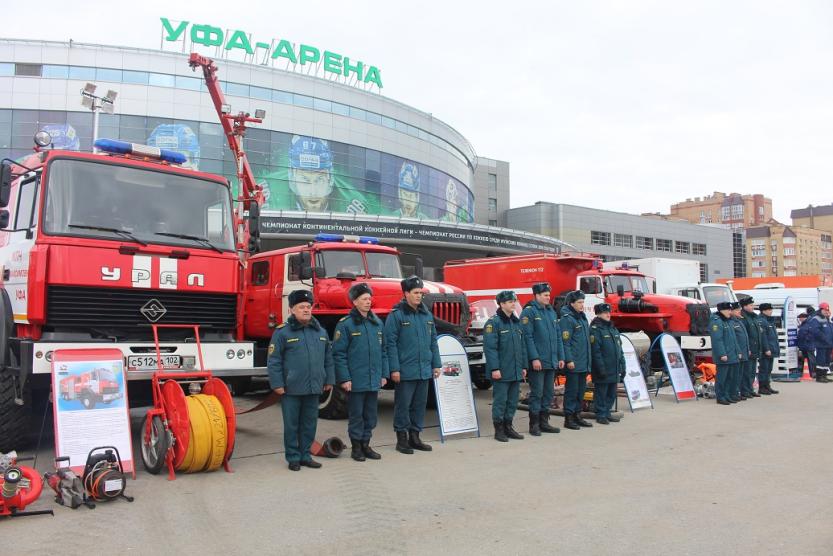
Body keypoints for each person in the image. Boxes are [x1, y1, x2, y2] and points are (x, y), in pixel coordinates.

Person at [267, 290, 334, 471]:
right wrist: (278, 384)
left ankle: (305, 455)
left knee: (309, 424)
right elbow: (274, 360)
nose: (306, 310)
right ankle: (293, 457)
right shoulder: (282, 333)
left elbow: (328, 358)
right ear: (291, 310)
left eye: (308, 307)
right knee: (292, 425)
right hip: (291, 388)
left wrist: (329, 379)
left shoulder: (320, 332)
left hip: (314, 387)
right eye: (301, 307)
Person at [384, 275, 442, 454]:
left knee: (419, 405)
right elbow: (390, 344)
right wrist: (394, 368)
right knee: (403, 405)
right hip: (405, 370)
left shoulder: (427, 315)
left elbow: (433, 341)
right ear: (406, 293)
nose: (419, 296)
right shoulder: (396, 316)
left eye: (421, 293)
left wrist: (436, 364)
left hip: (424, 369)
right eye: (415, 293)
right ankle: (401, 439)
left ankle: (415, 437)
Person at [333, 283, 389, 462]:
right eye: (364, 299)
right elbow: (339, 354)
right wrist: (345, 378)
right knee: (356, 414)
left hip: (373, 379)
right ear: (355, 302)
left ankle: (366, 444)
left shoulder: (377, 323)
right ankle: (356, 447)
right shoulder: (346, 325)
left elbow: (384, 351)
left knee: (370, 414)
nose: (368, 302)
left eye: (369, 298)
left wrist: (383, 374)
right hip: (356, 380)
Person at [520, 282, 563, 435]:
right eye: (545, 295)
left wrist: (560, 356)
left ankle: (544, 423)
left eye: (548, 295)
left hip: (551, 361)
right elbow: (527, 337)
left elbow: (558, 336)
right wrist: (534, 358)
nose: (548, 297)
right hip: (538, 362)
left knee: (548, 393)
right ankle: (534, 425)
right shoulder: (529, 312)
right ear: (537, 295)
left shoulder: (551, 311)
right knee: (537, 393)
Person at [485, 290, 528, 442]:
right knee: (500, 401)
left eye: (514, 301)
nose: (513, 304)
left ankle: (509, 426)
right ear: (502, 304)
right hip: (502, 370)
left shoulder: (515, 322)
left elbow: (521, 347)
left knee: (512, 400)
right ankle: (499, 430)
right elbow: (490, 348)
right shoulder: (494, 322)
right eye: (510, 302)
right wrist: (494, 368)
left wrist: (523, 366)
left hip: (515, 369)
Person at [559, 290, 593, 430]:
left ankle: (578, 415)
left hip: (583, 362)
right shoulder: (568, 318)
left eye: (583, 302)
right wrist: (569, 360)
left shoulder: (581, 317)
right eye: (579, 302)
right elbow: (565, 342)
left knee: (581, 391)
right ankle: (569, 418)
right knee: (572, 391)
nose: (582, 305)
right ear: (571, 303)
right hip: (574, 362)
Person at [590, 303, 625, 424]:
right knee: (601, 393)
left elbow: (620, 349)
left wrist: (623, 365)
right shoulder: (595, 330)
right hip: (603, 368)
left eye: (609, 312)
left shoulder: (612, 329)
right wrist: (600, 368)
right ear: (598, 314)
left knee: (611, 393)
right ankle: (600, 414)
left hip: (614, 368)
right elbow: (596, 352)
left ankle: (607, 412)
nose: (608, 314)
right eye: (605, 313)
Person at [710, 301, 740, 405]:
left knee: (729, 377)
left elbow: (734, 339)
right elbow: (717, 340)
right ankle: (720, 396)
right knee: (722, 378)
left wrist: (738, 351)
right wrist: (722, 354)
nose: (730, 312)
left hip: (731, 354)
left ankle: (727, 395)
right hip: (724, 356)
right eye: (728, 310)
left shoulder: (728, 321)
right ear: (722, 310)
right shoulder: (717, 321)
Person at [739, 297, 763, 398]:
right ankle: (745, 390)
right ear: (745, 306)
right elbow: (745, 336)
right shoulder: (743, 318)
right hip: (749, 349)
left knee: (753, 371)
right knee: (747, 372)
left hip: (755, 348)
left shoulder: (753, 317)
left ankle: (750, 389)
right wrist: (747, 348)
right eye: (750, 305)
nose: (752, 307)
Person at [806, 302, 833, 383]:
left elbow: (829, 331)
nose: (826, 312)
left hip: (828, 344)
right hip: (821, 344)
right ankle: (819, 377)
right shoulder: (816, 318)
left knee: (826, 361)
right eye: (825, 310)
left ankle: (824, 376)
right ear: (821, 309)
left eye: (827, 310)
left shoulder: (825, 318)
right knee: (821, 361)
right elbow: (815, 331)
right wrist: (824, 338)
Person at [758, 303, 780, 395]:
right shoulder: (762, 321)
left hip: (772, 348)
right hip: (766, 350)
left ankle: (767, 386)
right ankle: (762, 387)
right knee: (764, 368)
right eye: (769, 310)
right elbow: (763, 337)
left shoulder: (769, 321)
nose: (771, 311)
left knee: (769, 369)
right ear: (764, 311)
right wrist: (766, 349)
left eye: (771, 310)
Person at [730, 301, 750, 402]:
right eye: (737, 310)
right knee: (736, 375)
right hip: (737, 353)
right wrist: (739, 352)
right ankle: (734, 393)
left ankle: (738, 392)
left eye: (739, 310)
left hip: (743, 352)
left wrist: (748, 350)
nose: (739, 312)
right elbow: (734, 340)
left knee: (741, 375)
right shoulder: (732, 322)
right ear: (731, 311)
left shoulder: (739, 321)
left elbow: (744, 338)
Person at [796, 312, 815, 378]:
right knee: (806, 360)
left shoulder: (809, 323)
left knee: (810, 360)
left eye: (800, 318)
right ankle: (808, 372)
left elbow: (812, 333)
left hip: (808, 345)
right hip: (804, 345)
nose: (799, 319)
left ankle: (812, 373)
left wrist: (806, 339)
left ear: (803, 317)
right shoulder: (804, 324)